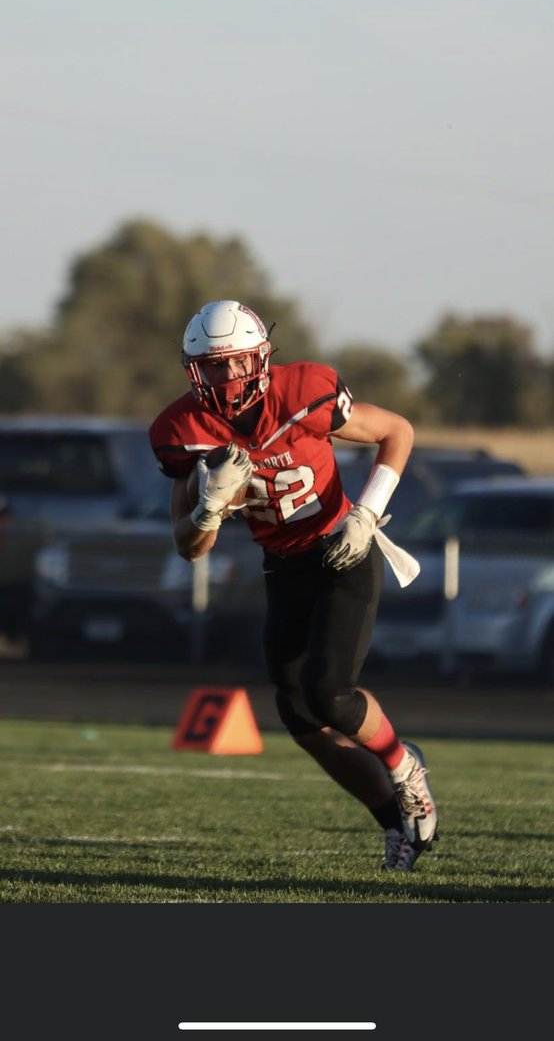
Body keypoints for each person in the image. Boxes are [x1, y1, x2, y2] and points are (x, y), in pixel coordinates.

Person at [149, 299, 439, 872]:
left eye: (236, 362)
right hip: (283, 567)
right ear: (193, 371)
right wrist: (208, 508)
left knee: (329, 691)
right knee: (301, 716)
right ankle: (394, 822)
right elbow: (189, 548)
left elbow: (396, 432)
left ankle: (405, 766)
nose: (227, 377)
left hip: (342, 550)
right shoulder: (184, 431)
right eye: (213, 365)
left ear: (260, 359)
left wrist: (366, 514)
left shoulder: (304, 391)